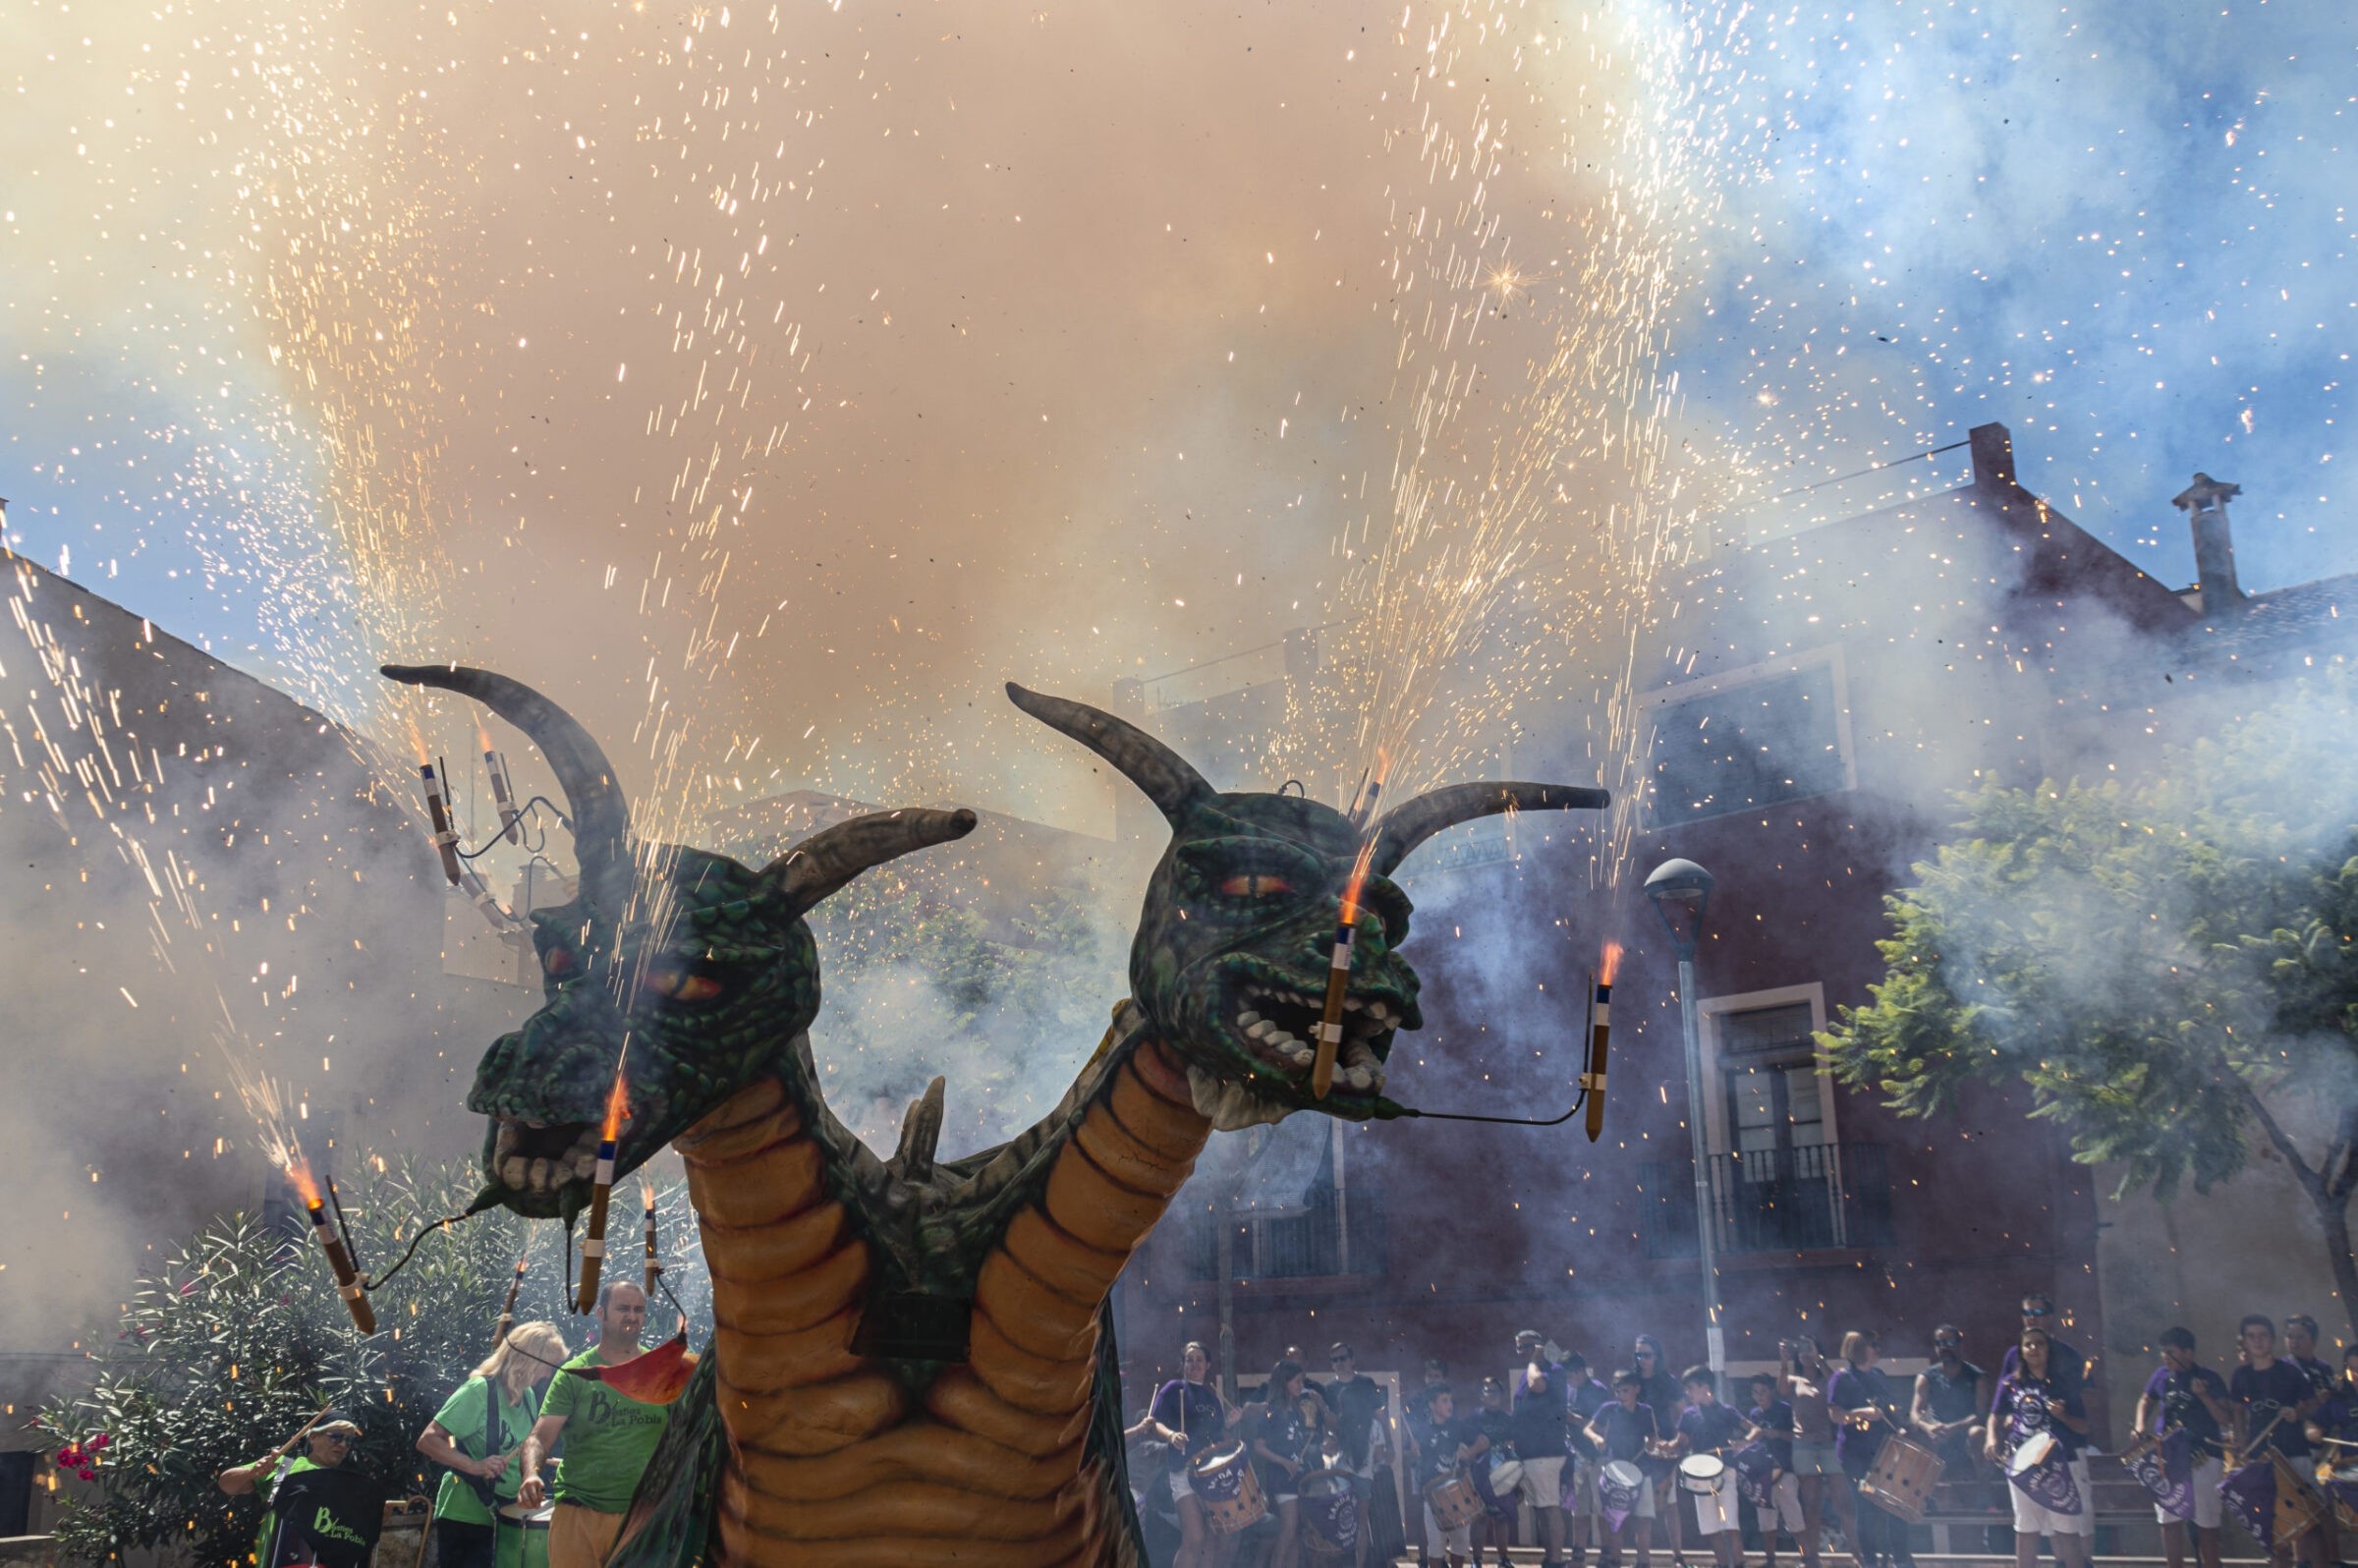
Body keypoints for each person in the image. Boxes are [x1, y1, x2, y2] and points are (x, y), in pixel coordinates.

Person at [516, 1281, 669, 1568]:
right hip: (578, 1515)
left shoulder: (663, 1374)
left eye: (638, 1309)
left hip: (644, 1517)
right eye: (623, 1308)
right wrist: (530, 1474)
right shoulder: (575, 1374)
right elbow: (539, 1437)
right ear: (601, 1313)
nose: (632, 1316)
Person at [416, 1321, 569, 1568]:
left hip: (505, 1517)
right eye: (546, 1366)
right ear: (527, 1360)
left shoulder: (527, 1396)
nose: (547, 1375)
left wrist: (547, 1462)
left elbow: (520, 1448)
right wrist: (474, 1466)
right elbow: (428, 1440)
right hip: (465, 1518)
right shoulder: (479, 1390)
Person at [1986, 1326, 2092, 1568]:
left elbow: (2083, 1427)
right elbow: (1994, 1415)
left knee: (2067, 1531)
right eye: (2028, 1344)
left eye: (2039, 1344)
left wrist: (2063, 1416)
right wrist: (1991, 1438)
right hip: (2022, 1465)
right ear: (2021, 1351)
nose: (2034, 1348)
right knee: (2026, 1529)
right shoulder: (2011, 1382)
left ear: (2048, 1350)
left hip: (2060, 1464)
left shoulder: (2063, 1384)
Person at [2229, 1314, 2328, 1568]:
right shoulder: (2241, 1376)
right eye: (2251, 1336)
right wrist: (2240, 1443)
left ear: (2272, 1339)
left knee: (2309, 1517)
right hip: (2261, 1455)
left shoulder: (2290, 1372)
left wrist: (2297, 1413)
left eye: (2262, 1335)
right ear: (2245, 1342)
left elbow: (2310, 1404)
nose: (2257, 1341)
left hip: (2294, 1451)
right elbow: (2238, 1412)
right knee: (2271, 1524)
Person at [218, 1409, 366, 1568]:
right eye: (336, 1437)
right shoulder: (284, 1466)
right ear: (313, 1437)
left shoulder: (348, 1486)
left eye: (348, 1441)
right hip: (279, 1561)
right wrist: (251, 1472)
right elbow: (226, 1484)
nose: (343, 1444)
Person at [2136, 1326, 2231, 1568]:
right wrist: (2139, 1425)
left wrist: (2204, 1396)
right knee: (2169, 1519)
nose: (2165, 1357)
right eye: (2163, 1353)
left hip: (2204, 1457)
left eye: (2171, 1352)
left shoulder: (2209, 1377)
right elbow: (2146, 1399)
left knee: (2207, 1523)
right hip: (2167, 1457)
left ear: (2188, 1353)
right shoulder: (2160, 1375)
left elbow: (2224, 1418)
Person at [1148, 1340, 1240, 1568]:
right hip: (1184, 1469)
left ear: (1208, 1365)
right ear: (1184, 1364)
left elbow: (1217, 1436)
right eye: (1190, 1360)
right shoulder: (1174, 1388)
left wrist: (1229, 1425)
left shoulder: (1212, 1398)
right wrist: (1171, 1436)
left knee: (1212, 1536)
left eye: (1199, 1360)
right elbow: (1154, 1424)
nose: (1194, 1364)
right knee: (1194, 1538)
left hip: (1210, 1472)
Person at [1826, 1331, 1910, 1568]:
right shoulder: (1841, 1379)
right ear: (1859, 1348)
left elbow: (1889, 1409)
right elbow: (1835, 1415)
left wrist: (1900, 1427)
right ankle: (1871, 1562)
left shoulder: (1879, 1375)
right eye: (1874, 1345)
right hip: (1855, 1454)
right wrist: (1862, 1414)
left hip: (1883, 1451)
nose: (1878, 1348)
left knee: (1895, 1506)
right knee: (1866, 1509)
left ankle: (1902, 1560)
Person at [1586, 1369, 1664, 1568]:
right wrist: (1598, 1439)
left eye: (1625, 1391)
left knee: (1643, 1520)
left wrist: (1650, 1442)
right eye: (1618, 1391)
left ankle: (1643, 1562)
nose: (1621, 1396)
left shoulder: (1646, 1411)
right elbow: (1588, 1428)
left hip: (1641, 1470)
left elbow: (1653, 1437)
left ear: (1636, 1389)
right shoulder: (1609, 1409)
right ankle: (1614, 1561)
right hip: (1616, 1471)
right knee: (1615, 1521)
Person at [1781, 1337, 1848, 1568]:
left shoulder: (1826, 1377)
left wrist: (1819, 1359)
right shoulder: (1794, 1379)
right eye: (1801, 1350)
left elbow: (1836, 1385)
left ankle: (1858, 1554)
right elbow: (1781, 1389)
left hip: (1828, 1444)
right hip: (1804, 1445)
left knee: (1842, 1500)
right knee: (1811, 1503)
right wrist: (1784, 1362)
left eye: (1808, 1348)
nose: (1804, 1353)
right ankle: (1812, 1558)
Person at [1672, 1367, 1747, 1568]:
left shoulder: (1726, 1411)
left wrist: (1745, 1441)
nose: (1687, 1393)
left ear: (1705, 1388)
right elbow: (1680, 1442)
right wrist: (1665, 1447)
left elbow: (1754, 1429)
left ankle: (1739, 1564)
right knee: (1710, 1527)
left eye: (1690, 1388)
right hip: (1700, 1474)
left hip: (1725, 1472)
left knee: (1730, 1523)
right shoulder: (1688, 1415)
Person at [1251, 1358, 1320, 1568]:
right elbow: (1258, 1446)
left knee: (1297, 1530)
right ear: (1284, 1382)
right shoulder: (1272, 1410)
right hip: (1282, 1477)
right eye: (1297, 1381)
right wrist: (1283, 1462)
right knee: (1289, 1528)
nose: (1301, 1386)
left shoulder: (1298, 1412)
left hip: (1297, 1475)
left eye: (1302, 1381)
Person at [1513, 1337, 1576, 1568]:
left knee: (1549, 1507)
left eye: (1527, 1347)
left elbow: (1537, 1385)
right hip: (1530, 1453)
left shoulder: (1552, 1370)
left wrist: (1533, 1362)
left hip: (1546, 1452)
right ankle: (1550, 1557)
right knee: (1540, 1508)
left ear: (1538, 1347)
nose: (1521, 1351)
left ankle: (1556, 1559)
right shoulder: (1527, 1373)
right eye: (1518, 1347)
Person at [1321, 1342, 1387, 1563]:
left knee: (1362, 1519)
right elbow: (1327, 1425)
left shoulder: (1366, 1383)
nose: (1339, 1363)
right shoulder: (1328, 1389)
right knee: (1340, 1518)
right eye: (1334, 1360)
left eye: (1342, 1358)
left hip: (1365, 1458)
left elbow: (1379, 1416)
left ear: (1352, 1359)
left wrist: (1389, 1447)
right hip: (1338, 1463)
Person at [1742, 1372, 1806, 1568]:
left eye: (1763, 1391)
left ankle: (1806, 1558)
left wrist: (1776, 1434)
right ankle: (1770, 1560)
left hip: (1785, 1471)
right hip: (1763, 1474)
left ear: (1771, 1391)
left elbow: (1797, 1436)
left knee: (1793, 1517)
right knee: (1766, 1520)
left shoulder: (1785, 1410)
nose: (1759, 1396)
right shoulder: (1754, 1414)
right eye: (1755, 1392)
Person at [1415, 1383, 1479, 1568]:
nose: (1449, 1404)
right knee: (1435, 1545)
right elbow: (1414, 1456)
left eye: (1450, 1400)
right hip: (1433, 1494)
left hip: (1458, 1492)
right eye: (1444, 1400)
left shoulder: (1458, 1426)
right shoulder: (1422, 1429)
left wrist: (1471, 1451)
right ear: (1432, 1405)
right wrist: (1413, 1451)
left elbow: (1480, 1443)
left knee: (1461, 1543)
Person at [1633, 1337, 1684, 1559]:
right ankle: (1643, 1559)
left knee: (1670, 1504)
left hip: (1665, 1449)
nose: (1642, 1359)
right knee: (1643, 1508)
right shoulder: (1633, 1380)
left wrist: (1678, 1442)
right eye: (1639, 1355)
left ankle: (1678, 1556)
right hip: (1639, 1451)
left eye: (1647, 1355)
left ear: (1657, 1356)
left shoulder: (1667, 1381)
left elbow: (1684, 1411)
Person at [1910, 1326, 1986, 1476]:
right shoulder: (1926, 1377)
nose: (1944, 1347)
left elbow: (1980, 1414)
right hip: (1937, 1433)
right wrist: (1928, 1427)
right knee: (1913, 1434)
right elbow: (1914, 1413)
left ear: (1959, 1344)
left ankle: (1983, 1487)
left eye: (1949, 1342)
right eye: (1940, 1343)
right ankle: (1922, 1490)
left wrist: (1954, 1427)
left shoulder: (1977, 1377)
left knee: (1978, 1432)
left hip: (1965, 1432)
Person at [1565, 1352, 1614, 1568]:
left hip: (1598, 1458)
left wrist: (1573, 1419)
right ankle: (1579, 1554)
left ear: (1579, 1371)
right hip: (1577, 1457)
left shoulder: (1598, 1390)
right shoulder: (1570, 1390)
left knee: (1601, 1507)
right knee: (1580, 1509)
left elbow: (1605, 1427)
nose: (1567, 1380)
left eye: (1569, 1375)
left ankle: (1605, 1553)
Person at [1996, 1295, 2085, 1400]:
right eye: (2027, 1313)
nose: (2031, 1318)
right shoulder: (2013, 1354)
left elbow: (2087, 1394)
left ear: (2050, 1317)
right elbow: (2002, 1396)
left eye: (2038, 1313)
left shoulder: (2069, 1354)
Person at [1472, 1376, 1519, 1568]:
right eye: (1487, 1391)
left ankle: (1503, 1559)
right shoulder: (1474, 1417)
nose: (1491, 1395)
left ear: (1502, 1396)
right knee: (1480, 1517)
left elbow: (1516, 1446)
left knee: (1502, 1518)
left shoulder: (1509, 1419)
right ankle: (1476, 1560)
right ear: (1481, 1396)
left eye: (1495, 1391)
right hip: (1480, 1475)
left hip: (1503, 1474)